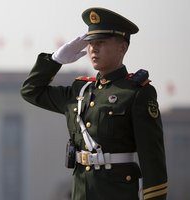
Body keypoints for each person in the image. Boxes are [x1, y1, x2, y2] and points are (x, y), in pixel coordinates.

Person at [21, 7, 167, 200]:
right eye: (90, 43)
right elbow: (31, 91)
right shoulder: (80, 90)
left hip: (119, 193)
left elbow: (152, 159)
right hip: (81, 191)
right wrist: (55, 60)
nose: (93, 49)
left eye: (101, 43)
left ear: (122, 47)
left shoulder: (136, 92)